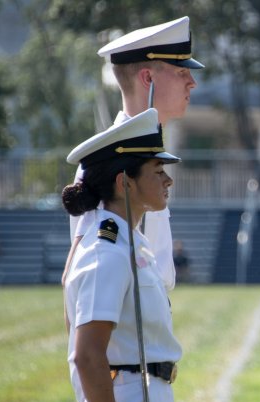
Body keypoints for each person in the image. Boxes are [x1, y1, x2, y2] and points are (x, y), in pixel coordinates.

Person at [62, 16, 204, 296]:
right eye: (181, 72)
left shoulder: (142, 155)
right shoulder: (108, 161)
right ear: (148, 78)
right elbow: (81, 274)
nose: (192, 83)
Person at [62, 108, 182, 402]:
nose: (168, 179)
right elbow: (87, 355)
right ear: (124, 182)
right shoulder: (107, 251)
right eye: (157, 170)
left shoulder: (130, 245)